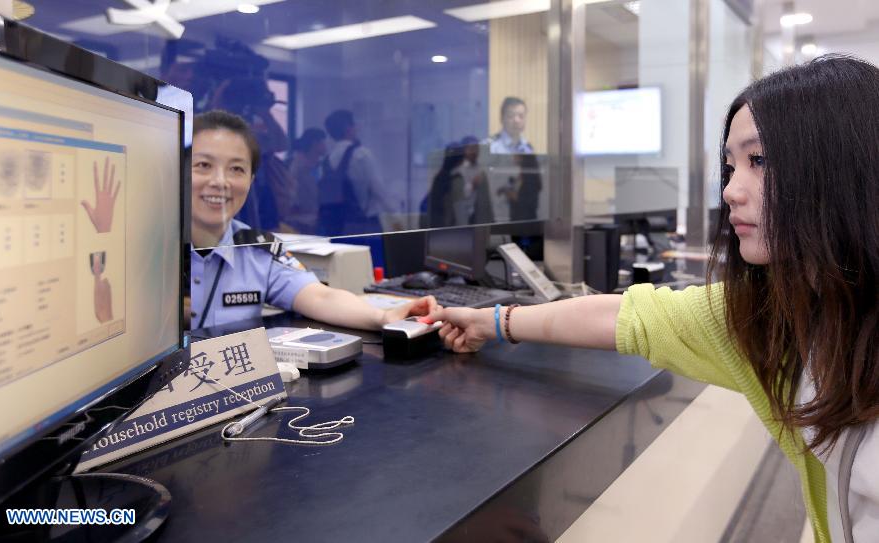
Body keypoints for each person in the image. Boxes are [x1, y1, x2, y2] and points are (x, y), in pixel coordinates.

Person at [426, 56, 879, 543]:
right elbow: (630, 316)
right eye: (730, 167)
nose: (730, 190)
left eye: (760, 161)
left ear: (842, 169)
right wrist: (493, 321)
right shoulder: (776, 317)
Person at [189, 110, 436, 329]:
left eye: (236, 169)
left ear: (251, 180)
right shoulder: (150, 249)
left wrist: (384, 317)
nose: (220, 182)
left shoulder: (258, 249)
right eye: (203, 165)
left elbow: (320, 297)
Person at [318, 109, 400, 236]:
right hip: (364, 224)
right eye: (354, 125)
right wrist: (396, 214)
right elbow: (378, 189)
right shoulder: (361, 154)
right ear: (349, 129)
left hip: (337, 226)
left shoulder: (327, 159)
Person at [282, 128, 327, 233]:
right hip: (300, 220)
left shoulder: (320, 165)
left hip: (314, 216)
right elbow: (292, 193)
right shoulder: (298, 165)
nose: (326, 146)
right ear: (315, 143)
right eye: (323, 142)